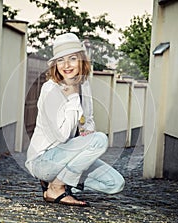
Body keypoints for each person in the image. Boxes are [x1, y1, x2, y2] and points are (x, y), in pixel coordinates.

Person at [25, 33, 125, 207]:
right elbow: (62, 136)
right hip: (43, 160)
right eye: (61, 60)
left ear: (81, 60)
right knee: (100, 140)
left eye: (72, 58)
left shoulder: (83, 83)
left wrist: (87, 131)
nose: (66, 65)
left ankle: (59, 182)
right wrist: (72, 97)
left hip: (69, 156)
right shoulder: (50, 90)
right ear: (55, 64)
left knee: (115, 184)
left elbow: (88, 118)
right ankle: (56, 187)